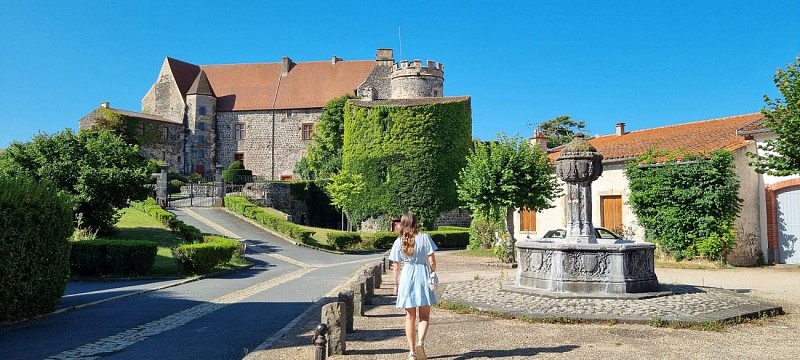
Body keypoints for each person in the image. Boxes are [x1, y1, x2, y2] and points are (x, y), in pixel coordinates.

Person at [389, 212, 438, 360]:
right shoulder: (425, 238)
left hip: (407, 277)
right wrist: (432, 271)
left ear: (402, 224)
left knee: (410, 317)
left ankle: (411, 352)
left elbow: (396, 266)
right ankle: (420, 342)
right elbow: (432, 262)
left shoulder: (399, 241)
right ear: (416, 223)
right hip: (422, 275)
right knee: (424, 316)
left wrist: (395, 285)